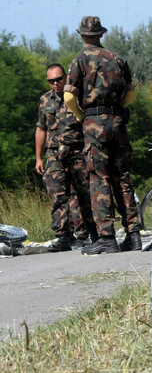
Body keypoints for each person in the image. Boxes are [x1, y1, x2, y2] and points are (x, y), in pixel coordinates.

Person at [63, 16, 141, 255]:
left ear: (82, 35)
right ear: (100, 35)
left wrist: (79, 116)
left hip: (94, 123)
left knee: (99, 177)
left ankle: (107, 237)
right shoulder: (118, 59)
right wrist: (120, 109)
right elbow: (131, 92)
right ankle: (133, 234)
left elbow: (68, 97)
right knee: (123, 177)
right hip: (118, 122)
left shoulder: (79, 61)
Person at [35, 63, 97, 252]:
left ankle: (91, 233)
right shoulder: (45, 101)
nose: (55, 83)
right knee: (57, 195)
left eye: (58, 79)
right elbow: (41, 129)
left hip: (78, 151)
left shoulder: (77, 97)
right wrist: (38, 157)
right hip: (54, 154)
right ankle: (63, 236)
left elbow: (90, 124)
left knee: (85, 194)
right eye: (51, 80)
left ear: (66, 78)